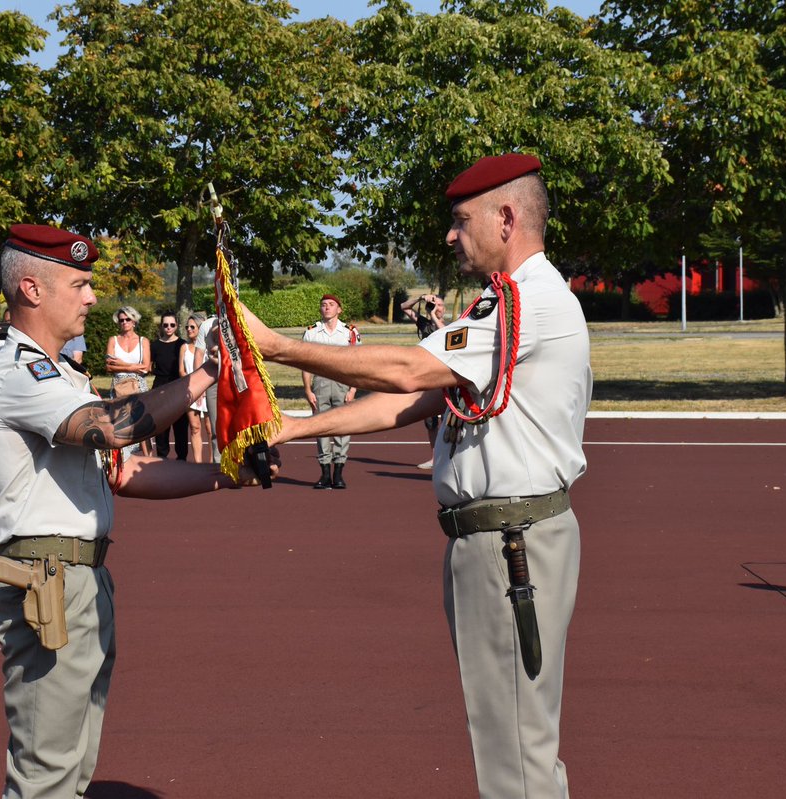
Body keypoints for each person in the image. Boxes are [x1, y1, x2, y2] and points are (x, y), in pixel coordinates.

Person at [243, 153, 592, 799]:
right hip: (498, 538)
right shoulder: (505, 306)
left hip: (511, 542)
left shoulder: (529, 302)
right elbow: (412, 400)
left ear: (506, 218)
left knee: (515, 753)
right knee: (512, 741)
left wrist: (279, 346)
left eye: (461, 221)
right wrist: (294, 428)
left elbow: (406, 372)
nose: (451, 236)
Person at [0, 224, 272, 799]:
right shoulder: (18, 373)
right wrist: (207, 374)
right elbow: (109, 430)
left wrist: (227, 475)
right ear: (31, 289)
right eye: (80, 284)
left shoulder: (56, 375)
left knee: (71, 770)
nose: (92, 297)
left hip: (77, 577)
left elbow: (124, 472)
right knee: (45, 774)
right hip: (47, 580)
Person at [300, 294, 361, 489]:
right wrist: (308, 389)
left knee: (343, 427)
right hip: (321, 384)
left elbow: (357, 362)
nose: (327, 308)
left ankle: (339, 473)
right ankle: (325, 473)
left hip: (342, 382)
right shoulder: (311, 333)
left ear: (339, 310)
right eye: (324, 305)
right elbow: (305, 363)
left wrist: (353, 389)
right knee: (321, 426)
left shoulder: (349, 332)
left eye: (331, 305)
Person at [401, 292, 447, 469]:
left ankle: (449, 458)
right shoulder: (424, 323)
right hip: (428, 376)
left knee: (447, 419)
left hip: (445, 376)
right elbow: (404, 307)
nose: (438, 308)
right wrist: (421, 298)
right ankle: (435, 457)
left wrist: (434, 315)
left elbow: (443, 333)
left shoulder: (452, 325)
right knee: (431, 422)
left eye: (441, 305)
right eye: (436, 305)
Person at [104, 305, 152, 455]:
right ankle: (124, 463)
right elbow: (109, 367)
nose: (124, 322)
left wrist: (121, 364)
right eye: (121, 320)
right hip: (118, 387)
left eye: (127, 319)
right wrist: (132, 367)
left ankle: (149, 460)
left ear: (134, 321)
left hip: (138, 385)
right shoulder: (113, 340)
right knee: (120, 426)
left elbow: (146, 368)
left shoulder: (143, 341)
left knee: (143, 425)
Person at [150, 311, 188, 459]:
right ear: (161, 326)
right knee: (161, 425)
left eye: (172, 325)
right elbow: (150, 366)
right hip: (160, 386)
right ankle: (162, 458)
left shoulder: (182, 344)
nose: (169, 328)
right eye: (165, 325)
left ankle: (182, 459)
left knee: (181, 425)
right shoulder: (155, 345)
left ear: (177, 326)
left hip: (178, 386)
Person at [180, 313, 210, 463]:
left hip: (208, 390)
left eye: (192, 327)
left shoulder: (209, 346)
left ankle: (213, 462)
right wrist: (193, 386)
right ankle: (198, 463)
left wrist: (203, 389)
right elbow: (181, 371)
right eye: (187, 327)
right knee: (195, 427)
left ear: (200, 328)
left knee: (211, 429)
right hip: (190, 390)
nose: (189, 329)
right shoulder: (184, 347)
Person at [195, 312, 222, 463]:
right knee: (215, 425)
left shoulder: (239, 320)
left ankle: (239, 463)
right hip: (213, 380)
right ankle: (219, 465)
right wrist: (197, 387)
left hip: (235, 378)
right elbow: (198, 355)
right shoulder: (206, 325)